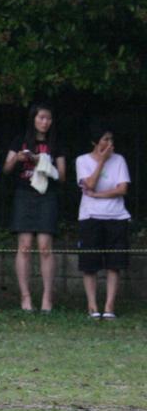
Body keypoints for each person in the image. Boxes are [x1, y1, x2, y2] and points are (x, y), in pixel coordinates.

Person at [4, 103, 66, 312]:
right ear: (33, 119)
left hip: (47, 195)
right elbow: (6, 168)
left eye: (48, 118)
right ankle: (25, 297)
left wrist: (45, 162)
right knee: (24, 246)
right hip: (24, 194)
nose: (45, 122)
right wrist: (18, 158)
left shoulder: (55, 142)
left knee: (45, 247)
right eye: (41, 118)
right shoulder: (20, 140)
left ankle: (47, 298)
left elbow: (63, 175)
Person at [75, 122, 131, 320]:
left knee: (114, 264)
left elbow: (122, 188)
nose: (109, 143)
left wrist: (98, 196)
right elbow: (89, 183)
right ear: (95, 141)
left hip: (116, 216)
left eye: (111, 139)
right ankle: (92, 305)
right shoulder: (82, 160)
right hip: (90, 217)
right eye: (105, 139)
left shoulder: (120, 160)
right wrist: (101, 161)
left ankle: (109, 306)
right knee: (89, 264)